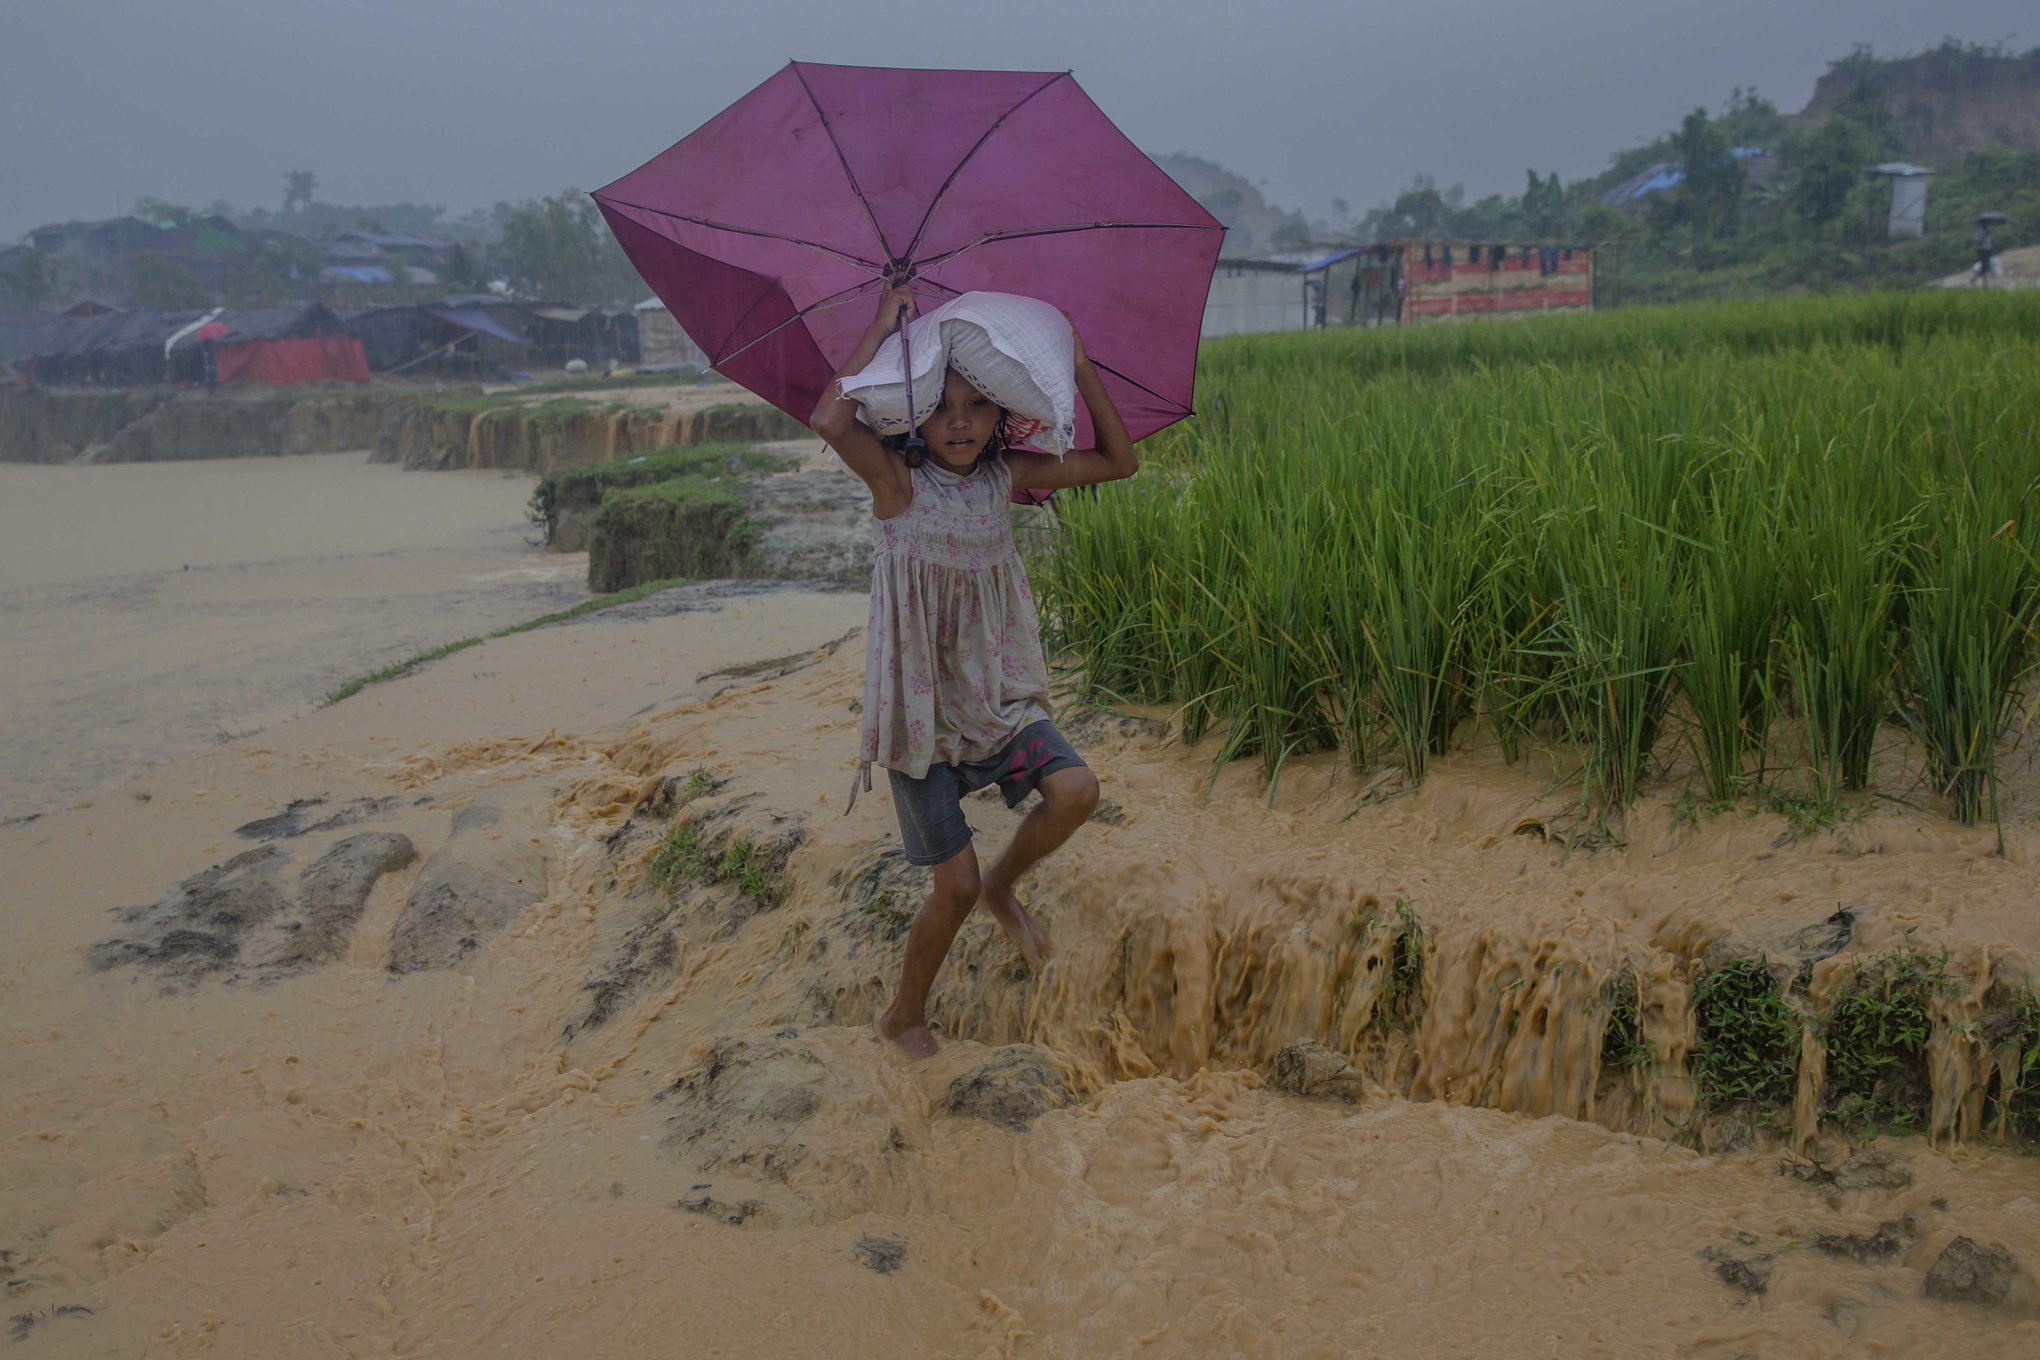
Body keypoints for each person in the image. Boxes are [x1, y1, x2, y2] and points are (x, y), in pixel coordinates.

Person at [810, 284, 1138, 1059]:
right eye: (942, 404)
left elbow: (1120, 462)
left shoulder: (1006, 481)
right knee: (948, 890)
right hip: (920, 721)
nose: (959, 420)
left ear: (1001, 418)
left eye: (976, 405)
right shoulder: (897, 486)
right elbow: (831, 419)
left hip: (996, 703)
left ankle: (1005, 884)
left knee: (1078, 791)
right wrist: (881, 327)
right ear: (915, 414)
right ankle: (903, 1016)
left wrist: (1081, 368)